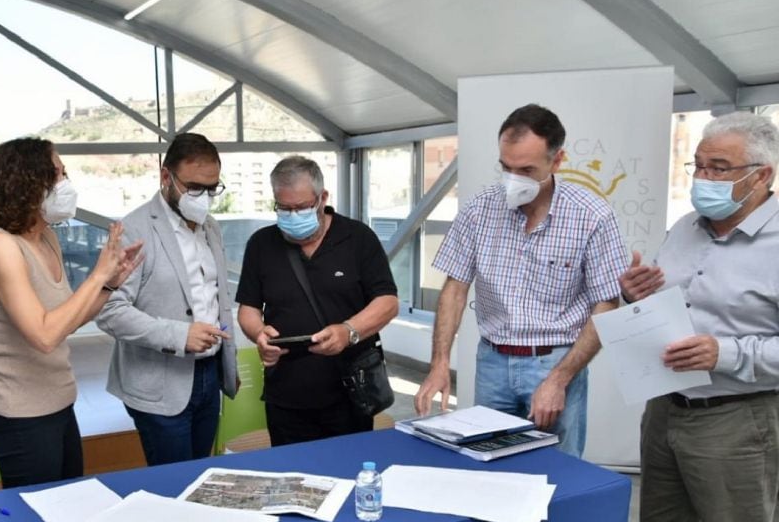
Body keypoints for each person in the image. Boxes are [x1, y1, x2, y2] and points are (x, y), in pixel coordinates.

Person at [613, 112, 779, 522]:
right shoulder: (687, 226)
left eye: (719, 167)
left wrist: (725, 352)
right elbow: (675, 297)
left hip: (739, 418)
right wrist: (641, 293)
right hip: (668, 404)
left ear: (762, 177)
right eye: (699, 164)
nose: (703, 177)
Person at [413, 103, 627, 457]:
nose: (514, 179)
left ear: (557, 161)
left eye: (527, 169)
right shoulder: (480, 208)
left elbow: (606, 303)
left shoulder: (592, 215)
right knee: (487, 466)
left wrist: (559, 379)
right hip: (492, 361)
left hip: (555, 361)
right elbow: (455, 287)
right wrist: (440, 364)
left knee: (558, 472)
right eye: (506, 167)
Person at [0, 137, 142, 488]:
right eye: (57, 175)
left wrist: (109, 284)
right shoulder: (0, 247)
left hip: (58, 403)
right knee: (37, 520)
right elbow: (45, 335)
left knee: (68, 505)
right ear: (26, 183)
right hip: (19, 415)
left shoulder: (46, 239)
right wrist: (97, 274)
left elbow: (67, 322)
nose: (66, 184)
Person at [95, 133, 238, 466]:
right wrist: (179, 335)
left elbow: (216, 298)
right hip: (158, 383)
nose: (203, 197)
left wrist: (226, 363)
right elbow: (109, 311)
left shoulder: (210, 227)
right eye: (193, 187)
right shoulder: (134, 230)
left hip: (209, 375)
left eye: (212, 188)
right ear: (165, 176)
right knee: (173, 485)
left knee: (202, 475)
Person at [236, 155, 398, 446]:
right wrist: (259, 334)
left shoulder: (358, 238)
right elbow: (248, 308)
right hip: (285, 396)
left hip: (351, 392)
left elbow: (387, 302)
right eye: (283, 208)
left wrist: (348, 331)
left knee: (349, 472)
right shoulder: (261, 244)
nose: (292, 216)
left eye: (300, 207)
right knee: (291, 480)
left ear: (322, 198)